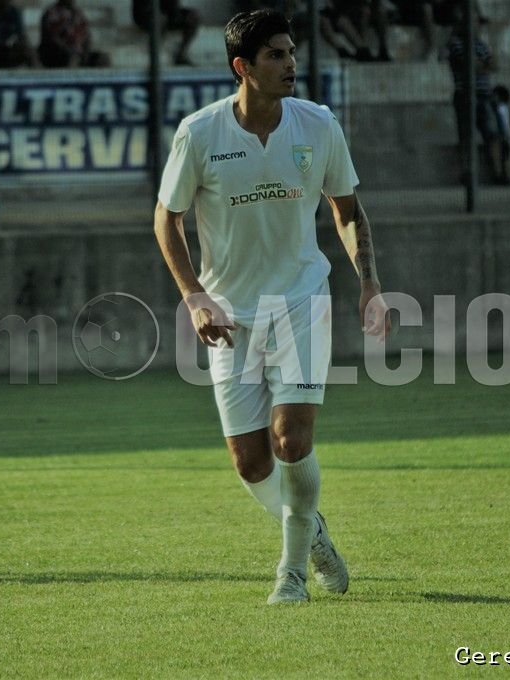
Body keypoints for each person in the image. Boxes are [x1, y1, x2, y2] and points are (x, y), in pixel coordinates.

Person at [153, 9, 391, 605]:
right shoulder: (200, 133)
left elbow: (346, 210)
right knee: (251, 463)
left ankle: (289, 575)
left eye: (291, 53)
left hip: (302, 299)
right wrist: (195, 297)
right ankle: (313, 533)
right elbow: (167, 218)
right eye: (276, 56)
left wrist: (370, 284)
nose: (291, 65)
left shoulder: (318, 125)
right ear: (243, 67)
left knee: (291, 438)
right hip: (230, 315)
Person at [446, 6, 506, 184]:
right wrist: (482, 65)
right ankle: (467, 175)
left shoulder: (480, 44)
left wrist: (480, 65)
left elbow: (494, 64)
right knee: (466, 137)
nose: (477, 26)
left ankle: (497, 174)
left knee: (493, 134)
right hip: (465, 95)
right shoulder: (456, 43)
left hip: (484, 95)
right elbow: (470, 65)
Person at [39, 0, 111, 67]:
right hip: (57, 55)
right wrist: (70, 52)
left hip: (79, 53)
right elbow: (52, 40)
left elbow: (87, 35)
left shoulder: (78, 13)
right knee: (70, 58)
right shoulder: (52, 13)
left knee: (102, 59)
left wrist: (84, 53)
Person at [132, 0, 200, 66]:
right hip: (145, 14)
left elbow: (172, 8)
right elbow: (142, 8)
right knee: (160, 19)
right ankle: (154, 56)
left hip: (167, 13)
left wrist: (177, 16)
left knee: (193, 16)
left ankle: (180, 55)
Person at [493, 85, 510, 184]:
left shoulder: (500, 109)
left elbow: (503, 123)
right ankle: (505, 177)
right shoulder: (504, 108)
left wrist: (505, 136)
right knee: (504, 158)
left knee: (504, 159)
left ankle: (505, 177)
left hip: (504, 137)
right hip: (505, 137)